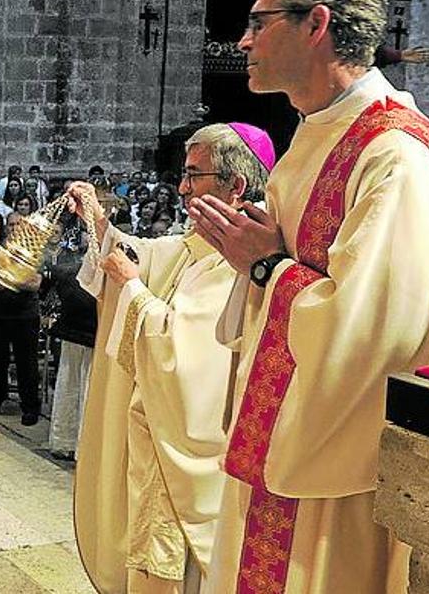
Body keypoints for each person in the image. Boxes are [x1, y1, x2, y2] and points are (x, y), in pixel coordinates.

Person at [187, 0, 429, 594]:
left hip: (334, 468)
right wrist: (258, 252)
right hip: (284, 437)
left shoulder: (393, 154)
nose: (244, 40)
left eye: (259, 23)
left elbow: (376, 334)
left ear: (316, 24)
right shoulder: (317, 134)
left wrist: (263, 264)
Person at [69, 122, 273, 594]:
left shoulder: (241, 258)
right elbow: (147, 255)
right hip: (158, 440)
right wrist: (98, 221)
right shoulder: (199, 245)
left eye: (193, 175)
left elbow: (188, 354)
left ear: (235, 186)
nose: (181, 187)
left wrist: (132, 287)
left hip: (190, 452)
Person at [0, 213, 43, 425]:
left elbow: (35, 283)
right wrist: (18, 280)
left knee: (27, 364)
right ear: (6, 227)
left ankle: (30, 407)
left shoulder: (34, 249)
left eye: (19, 224)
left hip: (26, 316)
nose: (14, 227)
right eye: (11, 224)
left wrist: (3, 279)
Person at [43, 218, 97, 461]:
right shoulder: (68, 264)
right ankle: (64, 439)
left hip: (95, 335)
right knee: (68, 386)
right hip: (73, 332)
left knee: (88, 390)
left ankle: (85, 443)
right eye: (86, 234)